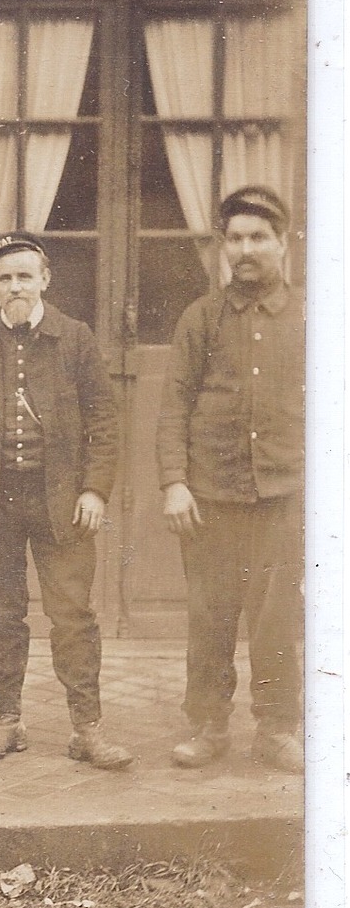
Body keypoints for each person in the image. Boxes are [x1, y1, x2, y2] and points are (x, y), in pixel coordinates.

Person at [0, 232, 133, 770]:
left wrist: (94, 488)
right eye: (5, 278)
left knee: (72, 616)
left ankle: (86, 729)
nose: (15, 286)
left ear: (45, 279)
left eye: (25, 275)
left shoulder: (74, 338)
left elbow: (104, 420)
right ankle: (7, 720)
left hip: (61, 502)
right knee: (2, 616)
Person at [157, 185, 305, 773]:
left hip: (285, 493)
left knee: (276, 616)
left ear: (282, 243)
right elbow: (173, 405)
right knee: (210, 613)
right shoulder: (200, 317)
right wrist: (174, 481)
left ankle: (275, 728)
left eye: (258, 238)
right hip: (210, 496)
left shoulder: (311, 314)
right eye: (236, 238)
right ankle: (209, 724)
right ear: (224, 246)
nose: (246, 249)